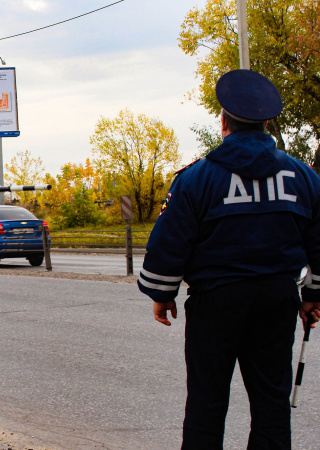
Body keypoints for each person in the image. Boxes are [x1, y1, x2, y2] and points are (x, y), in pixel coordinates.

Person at [138, 69, 320, 448]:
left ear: (223, 123)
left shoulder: (196, 179)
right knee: (271, 403)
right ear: (266, 123)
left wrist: (163, 293)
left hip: (215, 303)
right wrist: (313, 295)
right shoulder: (304, 177)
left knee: (206, 402)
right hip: (277, 301)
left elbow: (170, 242)